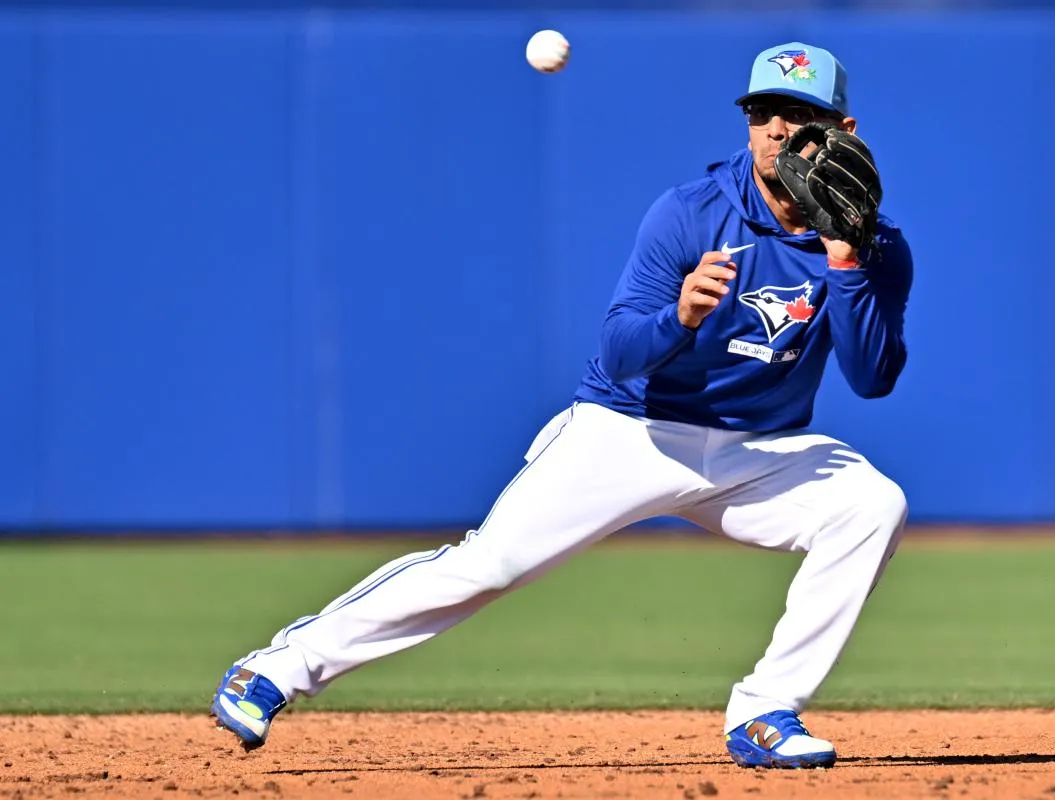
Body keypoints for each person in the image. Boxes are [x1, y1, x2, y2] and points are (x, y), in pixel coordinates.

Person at [211, 40, 913, 770]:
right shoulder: (691, 214)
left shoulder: (875, 246)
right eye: (764, 112)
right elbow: (616, 351)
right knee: (490, 564)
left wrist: (845, 262)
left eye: (799, 115)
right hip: (630, 430)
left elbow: (872, 378)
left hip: (756, 451)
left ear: (843, 132)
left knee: (872, 504)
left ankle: (767, 710)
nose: (777, 130)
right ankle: (277, 668)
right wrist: (680, 320)